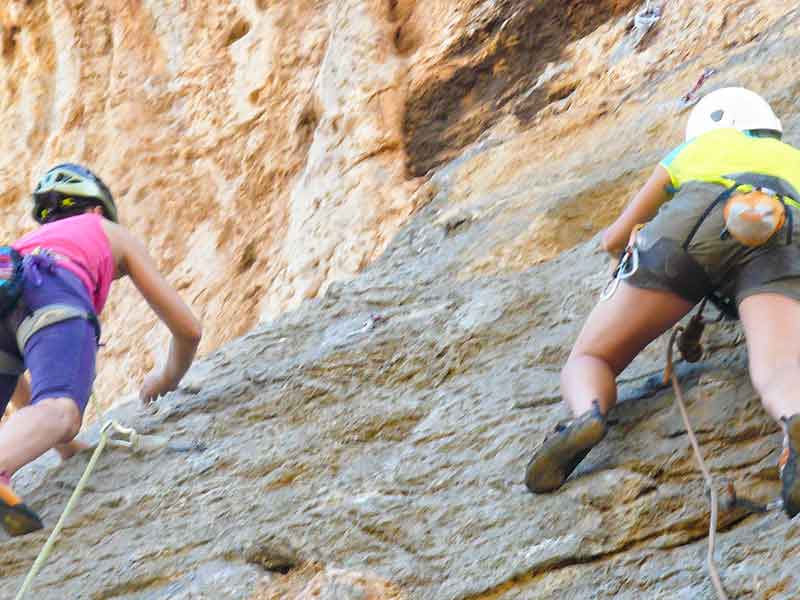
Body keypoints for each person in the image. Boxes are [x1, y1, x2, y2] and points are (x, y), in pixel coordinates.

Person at [524, 87, 800, 519]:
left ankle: (587, 415)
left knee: (592, 356)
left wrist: (645, 242)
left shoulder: (695, 148)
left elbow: (613, 239)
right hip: (783, 224)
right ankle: (793, 420)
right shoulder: (793, 159)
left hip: (690, 222)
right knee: (782, 366)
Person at [0, 163, 202, 537]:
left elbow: (17, 377)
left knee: (51, 413)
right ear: (96, 209)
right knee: (62, 408)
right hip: (54, 291)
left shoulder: (27, 244)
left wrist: (62, 444)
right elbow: (188, 330)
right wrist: (165, 378)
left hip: (4, 293)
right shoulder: (108, 231)